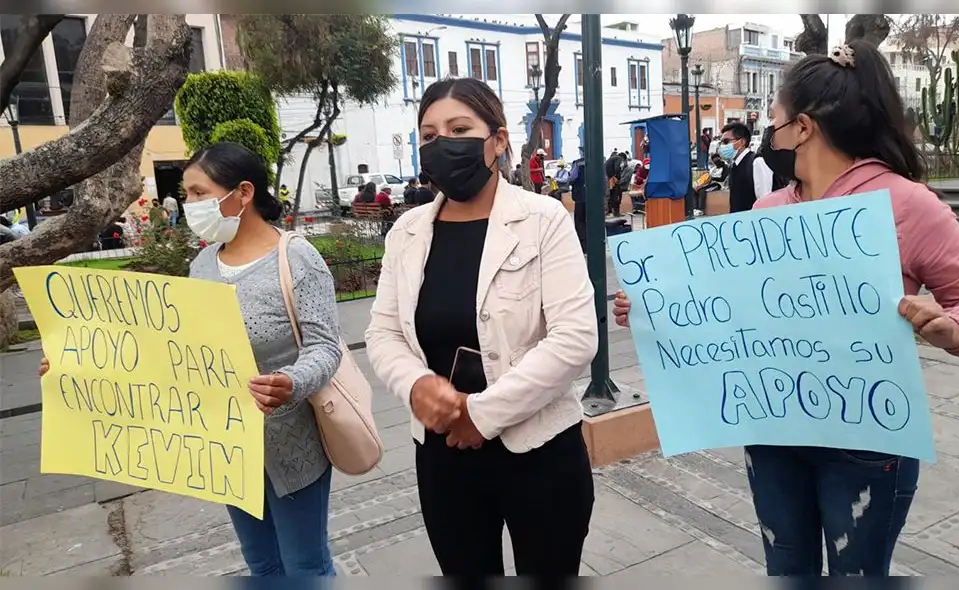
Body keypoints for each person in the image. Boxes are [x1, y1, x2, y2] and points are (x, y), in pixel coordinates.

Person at [612, 41, 959, 578]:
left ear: (804, 126)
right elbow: (730, 308)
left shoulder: (908, 204)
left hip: (867, 439)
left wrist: (956, 327)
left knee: (858, 575)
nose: (768, 131)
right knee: (786, 571)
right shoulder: (769, 209)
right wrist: (655, 307)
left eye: (773, 119)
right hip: (772, 434)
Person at [38, 142, 343, 577]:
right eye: (187, 194)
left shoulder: (296, 258)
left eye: (200, 193)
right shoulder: (202, 264)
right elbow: (173, 352)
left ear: (243, 192)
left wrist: (291, 382)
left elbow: (326, 347)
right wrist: (73, 364)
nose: (190, 204)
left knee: (305, 566)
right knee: (261, 564)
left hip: (291, 448)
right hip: (224, 448)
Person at [365, 77, 598, 576]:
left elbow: (575, 338)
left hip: (539, 451)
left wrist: (482, 415)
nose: (441, 143)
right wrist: (416, 385)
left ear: (497, 139)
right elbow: (382, 332)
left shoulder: (543, 219)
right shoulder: (407, 232)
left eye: (458, 128)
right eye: (428, 134)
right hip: (443, 455)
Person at [718, 121, 774, 213]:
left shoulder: (756, 162)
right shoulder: (735, 165)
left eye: (726, 141)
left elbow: (765, 202)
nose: (722, 146)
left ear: (742, 142)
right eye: (722, 143)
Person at [604, 150, 627, 217]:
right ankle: (615, 213)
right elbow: (617, 168)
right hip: (611, 178)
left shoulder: (612, 158)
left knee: (611, 194)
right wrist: (618, 177)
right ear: (623, 158)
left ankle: (611, 212)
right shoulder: (618, 158)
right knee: (616, 194)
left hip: (608, 177)